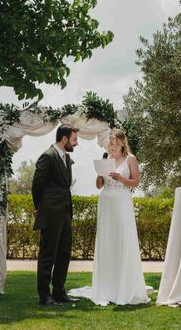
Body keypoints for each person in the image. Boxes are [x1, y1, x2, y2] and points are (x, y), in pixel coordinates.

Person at [69, 129, 150, 305]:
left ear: (122, 143)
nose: (111, 146)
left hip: (122, 202)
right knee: (107, 241)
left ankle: (124, 287)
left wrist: (120, 178)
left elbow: (135, 182)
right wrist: (100, 174)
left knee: (122, 239)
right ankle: (106, 287)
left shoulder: (131, 159)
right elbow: (99, 185)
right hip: (106, 202)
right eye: (110, 143)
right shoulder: (106, 159)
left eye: (114, 143)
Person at [32, 125, 79, 305]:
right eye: (74, 140)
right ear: (64, 139)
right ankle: (44, 295)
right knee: (48, 255)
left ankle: (59, 291)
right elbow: (37, 185)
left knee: (64, 253)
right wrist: (41, 207)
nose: (77, 144)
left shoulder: (66, 158)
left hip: (65, 212)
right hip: (51, 213)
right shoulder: (48, 156)